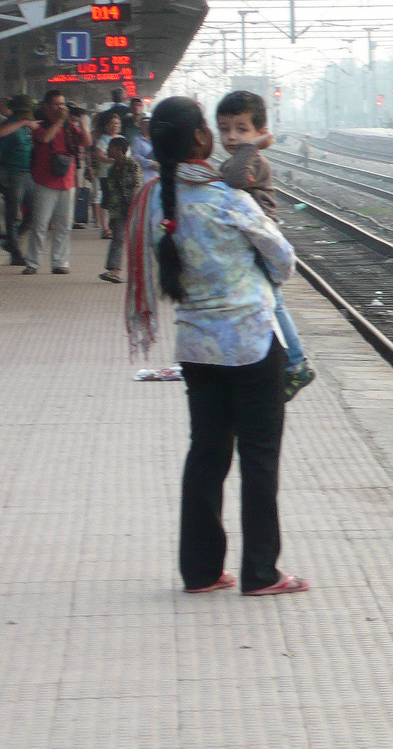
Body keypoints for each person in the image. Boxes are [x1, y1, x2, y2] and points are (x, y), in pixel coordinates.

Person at [127, 96, 307, 596]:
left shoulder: (150, 200)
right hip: (250, 340)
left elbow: (153, 261)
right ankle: (261, 573)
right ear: (201, 140)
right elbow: (282, 258)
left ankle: (202, 571)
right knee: (258, 456)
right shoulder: (226, 195)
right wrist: (254, 280)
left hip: (196, 346)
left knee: (206, 453)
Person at [215, 91, 314, 396]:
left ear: (261, 132)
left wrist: (251, 147)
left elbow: (233, 181)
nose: (232, 137)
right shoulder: (240, 159)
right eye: (224, 129)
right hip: (253, 243)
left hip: (261, 244)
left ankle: (296, 363)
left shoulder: (253, 161)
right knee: (270, 303)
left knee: (274, 303)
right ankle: (288, 362)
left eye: (242, 129)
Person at [22, 91, 87, 274]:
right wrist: (59, 120)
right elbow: (44, 138)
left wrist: (81, 122)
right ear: (47, 106)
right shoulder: (40, 125)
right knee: (40, 225)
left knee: (64, 225)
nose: (61, 107)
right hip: (45, 182)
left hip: (67, 182)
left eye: (62, 104)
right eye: (57, 104)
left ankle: (60, 262)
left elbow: (86, 141)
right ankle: (33, 263)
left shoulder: (69, 126)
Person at [98, 136, 138, 284]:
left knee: (137, 241)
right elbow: (110, 193)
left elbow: (136, 186)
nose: (107, 150)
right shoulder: (111, 170)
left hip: (133, 208)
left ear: (120, 150)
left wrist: (132, 206)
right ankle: (115, 271)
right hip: (119, 210)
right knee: (118, 238)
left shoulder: (132, 165)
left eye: (111, 147)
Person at [0, 95, 33, 265]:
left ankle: (12, 240)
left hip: (28, 173)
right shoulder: (9, 126)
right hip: (13, 173)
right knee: (13, 215)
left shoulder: (27, 125)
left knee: (34, 211)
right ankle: (15, 252)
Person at [91, 109, 122, 238]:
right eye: (112, 123)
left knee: (117, 201)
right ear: (106, 125)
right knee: (106, 201)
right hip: (105, 174)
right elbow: (99, 155)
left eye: (116, 123)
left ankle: (115, 226)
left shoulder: (122, 139)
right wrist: (113, 160)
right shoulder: (103, 139)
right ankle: (105, 228)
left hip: (120, 175)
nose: (114, 126)